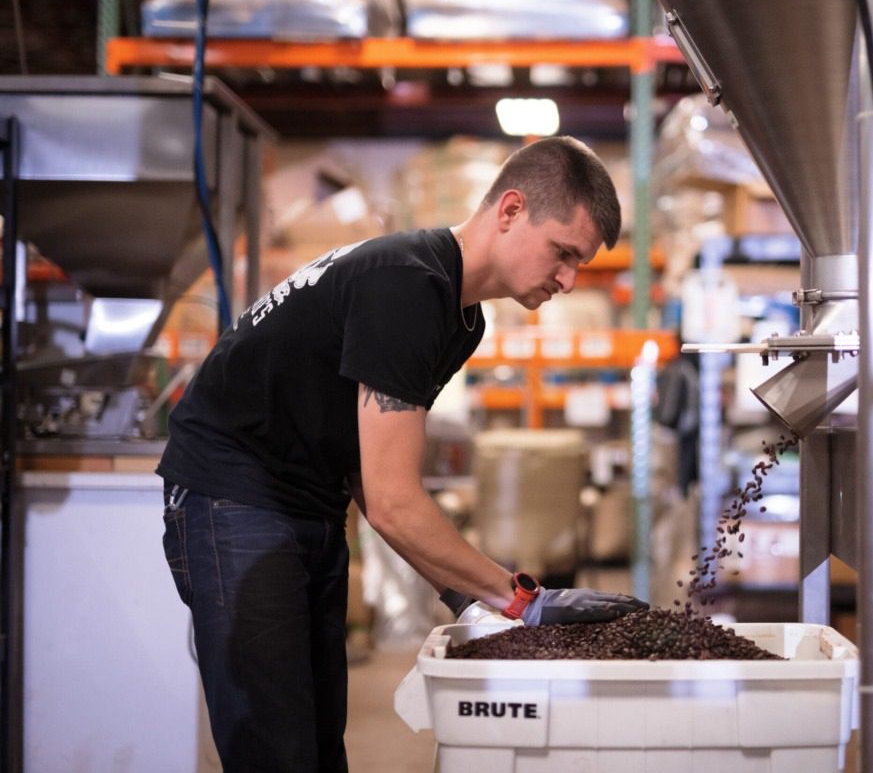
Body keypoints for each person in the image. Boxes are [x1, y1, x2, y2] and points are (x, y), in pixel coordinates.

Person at [156, 136, 648, 773]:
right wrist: (520, 600)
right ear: (510, 209)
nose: (568, 280)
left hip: (307, 499)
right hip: (231, 496)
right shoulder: (408, 285)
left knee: (315, 744)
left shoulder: (460, 318)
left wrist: (464, 596)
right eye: (563, 253)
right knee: (275, 750)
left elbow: (368, 467)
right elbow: (391, 502)